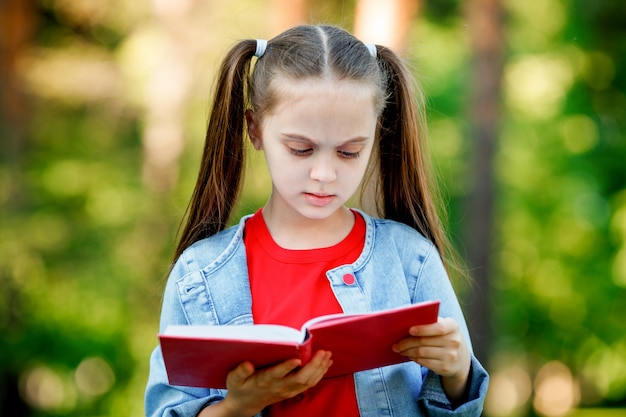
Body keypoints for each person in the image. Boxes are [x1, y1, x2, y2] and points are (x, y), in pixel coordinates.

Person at [145, 24, 489, 417]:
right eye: (301, 149)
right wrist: (241, 405)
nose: (324, 173)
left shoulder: (411, 260)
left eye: (348, 152)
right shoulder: (199, 276)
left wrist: (458, 373)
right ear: (255, 128)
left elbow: (460, 401)